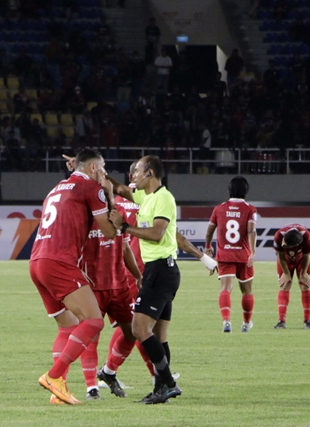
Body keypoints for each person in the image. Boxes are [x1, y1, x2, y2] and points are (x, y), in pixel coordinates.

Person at [107, 155, 216, 404]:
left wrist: (124, 228)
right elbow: (121, 189)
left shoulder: (164, 198)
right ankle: (161, 388)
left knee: (139, 329)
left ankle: (168, 383)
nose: (133, 175)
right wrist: (98, 174)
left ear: (150, 174)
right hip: (161, 271)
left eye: (138, 171)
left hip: (160, 271)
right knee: (160, 334)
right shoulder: (146, 196)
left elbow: (157, 234)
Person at [30, 148, 118, 406]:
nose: (104, 173)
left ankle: (58, 391)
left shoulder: (56, 188)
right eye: (102, 168)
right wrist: (109, 193)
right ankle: (54, 376)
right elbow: (110, 232)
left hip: (37, 261)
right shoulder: (92, 189)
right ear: (93, 168)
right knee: (93, 321)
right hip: (59, 261)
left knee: (67, 326)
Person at [205, 176, 258, 333]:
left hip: (225, 255)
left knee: (225, 289)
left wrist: (208, 247)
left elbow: (209, 231)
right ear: (246, 192)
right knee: (247, 291)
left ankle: (226, 321)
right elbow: (251, 231)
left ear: (229, 190)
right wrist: (253, 252)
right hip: (243, 255)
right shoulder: (250, 210)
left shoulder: (219, 209)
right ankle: (246, 324)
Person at [273, 223, 310, 329]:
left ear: (297, 245)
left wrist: (303, 273)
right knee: (285, 284)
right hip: (285, 259)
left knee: (305, 284)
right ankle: (281, 321)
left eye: (286, 245)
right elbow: (280, 255)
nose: (283, 244)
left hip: (302, 259)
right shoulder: (279, 236)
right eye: (284, 242)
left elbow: (306, 256)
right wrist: (286, 274)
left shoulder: (307, 237)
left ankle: (307, 321)